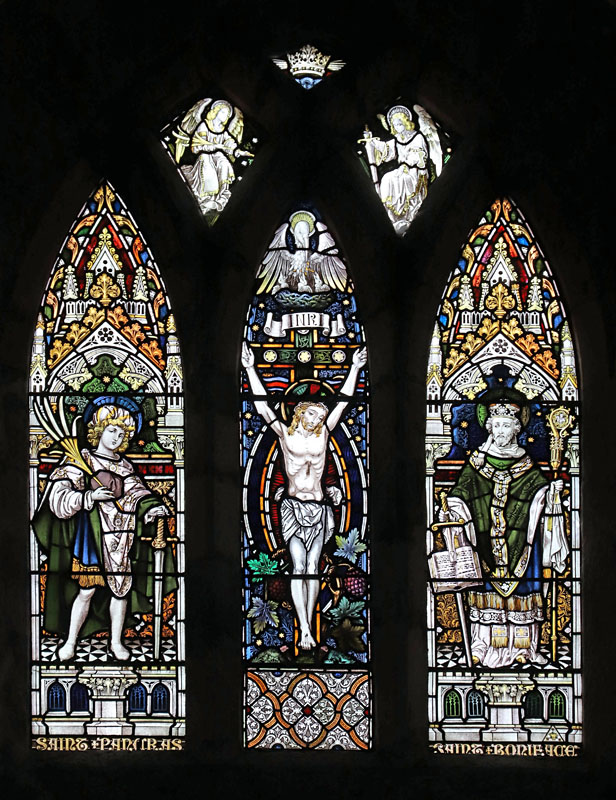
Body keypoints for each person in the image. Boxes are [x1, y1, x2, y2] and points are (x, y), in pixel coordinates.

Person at [242, 342, 367, 649]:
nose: (319, 418)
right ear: (300, 413)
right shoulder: (285, 435)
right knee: (298, 567)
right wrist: (249, 368)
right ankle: (305, 630)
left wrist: (354, 368)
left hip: (320, 509)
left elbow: (343, 403)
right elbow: (262, 407)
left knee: (312, 569)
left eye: (321, 415)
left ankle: (308, 626)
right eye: (313, 413)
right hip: (293, 508)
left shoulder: (324, 434)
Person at [32, 400, 173, 662]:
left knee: (121, 590)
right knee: (86, 590)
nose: (116, 437)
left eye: (122, 433)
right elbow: (59, 496)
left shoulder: (125, 466)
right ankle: (71, 642)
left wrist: (152, 508)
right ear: (98, 430)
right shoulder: (81, 459)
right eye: (112, 430)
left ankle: (116, 642)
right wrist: (88, 496)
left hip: (121, 536)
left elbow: (137, 493)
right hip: (92, 537)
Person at [439, 399, 568, 668]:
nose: (500, 431)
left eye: (506, 425)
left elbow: (539, 494)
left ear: (516, 429)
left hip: (523, 544)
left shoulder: (527, 465)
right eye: (496, 425)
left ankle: (525, 648)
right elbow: (460, 494)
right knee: (485, 589)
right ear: (489, 428)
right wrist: (452, 507)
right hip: (485, 541)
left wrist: (550, 494)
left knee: (524, 589)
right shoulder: (477, 463)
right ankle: (481, 645)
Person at [179, 100, 253, 215]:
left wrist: (240, 152)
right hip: (204, 155)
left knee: (224, 163)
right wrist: (215, 146)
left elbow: (229, 144)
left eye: (227, 114)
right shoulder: (204, 126)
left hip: (217, 155)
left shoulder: (223, 130)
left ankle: (218, 197)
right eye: (223, 112)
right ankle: (203, 198)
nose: (225, 116)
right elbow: (196, 147)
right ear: (216, 111)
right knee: (207, 163)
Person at [364, 105, 429, 234]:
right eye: (395, 125)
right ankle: (394, 216)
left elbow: (420, 156)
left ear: (406, 122)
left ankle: (408, 215)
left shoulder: (418, 137)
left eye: (399, 124)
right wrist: (372, 142)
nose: (398, 127)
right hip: (401, 170)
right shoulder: (398, 139)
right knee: (387, 178)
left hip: (415, 173)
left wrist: (407, 164)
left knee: (400, 179)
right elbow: (387, 150)